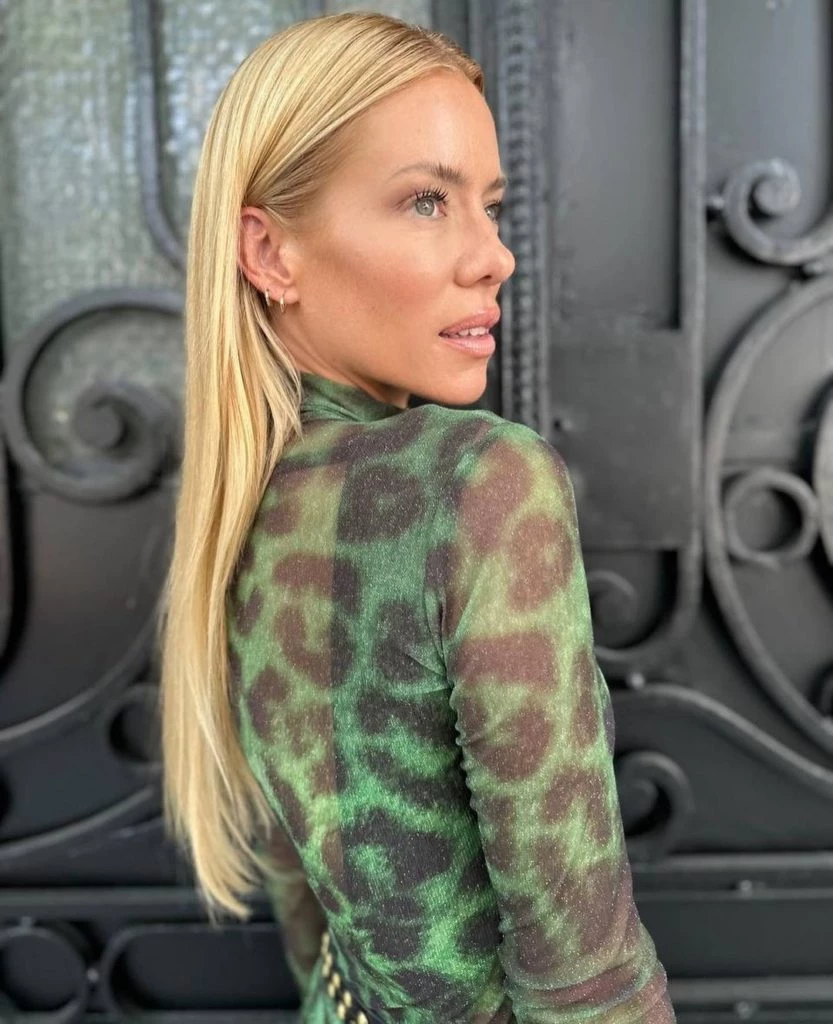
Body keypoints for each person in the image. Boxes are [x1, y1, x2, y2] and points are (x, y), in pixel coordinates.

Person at [156, 10, 676, 1023]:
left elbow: (304, 903)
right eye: (426, 201)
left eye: (489, 205)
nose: (493, 257)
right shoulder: (481, 483)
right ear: (269, 252)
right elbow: (588, 982)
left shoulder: (235, 504)